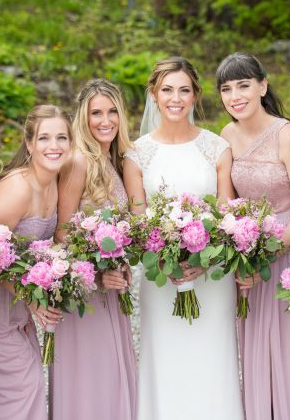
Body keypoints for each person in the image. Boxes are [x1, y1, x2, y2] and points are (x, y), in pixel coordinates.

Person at [124, 57, 243, 420]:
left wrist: (201, 259)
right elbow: (137, 216)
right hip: (161, 277)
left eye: (184, 90)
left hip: (212, 275)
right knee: (166, 358)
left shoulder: (217, 148)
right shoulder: (136, 152)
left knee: (212, 357)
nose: (175, 98)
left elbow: (225, 213)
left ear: (195, 96)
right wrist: (165, 260)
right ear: (154, 95)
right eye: (167, 90)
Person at [215, 52, 290, 420]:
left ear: (263, 86)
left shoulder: (287, 133)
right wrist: (237, 249)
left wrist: (268, 255)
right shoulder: (227, 134)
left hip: (286, 251)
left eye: (243, 85)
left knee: (287, 349)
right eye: (226, 88)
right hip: (247, 253)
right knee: (253, 347)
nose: (235, 95)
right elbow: (228, 202)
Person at [0, 105, 71, 420]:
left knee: (25, 393)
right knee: (21, 392)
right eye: (44, 138)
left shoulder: (55, 180)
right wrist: (31, 299)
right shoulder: (17, 188)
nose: (54, 146)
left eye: (62, 138)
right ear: (29, 144)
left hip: (20, 310)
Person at [50, 79, 137, 420]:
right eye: (96, 113)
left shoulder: (113, 160)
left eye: (112, 111)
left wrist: (120, 265)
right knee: (90, 382)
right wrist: (97, 277)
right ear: (82, 118)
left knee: (111, 378)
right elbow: (62, 231)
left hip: (110, 292)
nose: (105, 120)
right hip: (84, 294)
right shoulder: (78, 162)